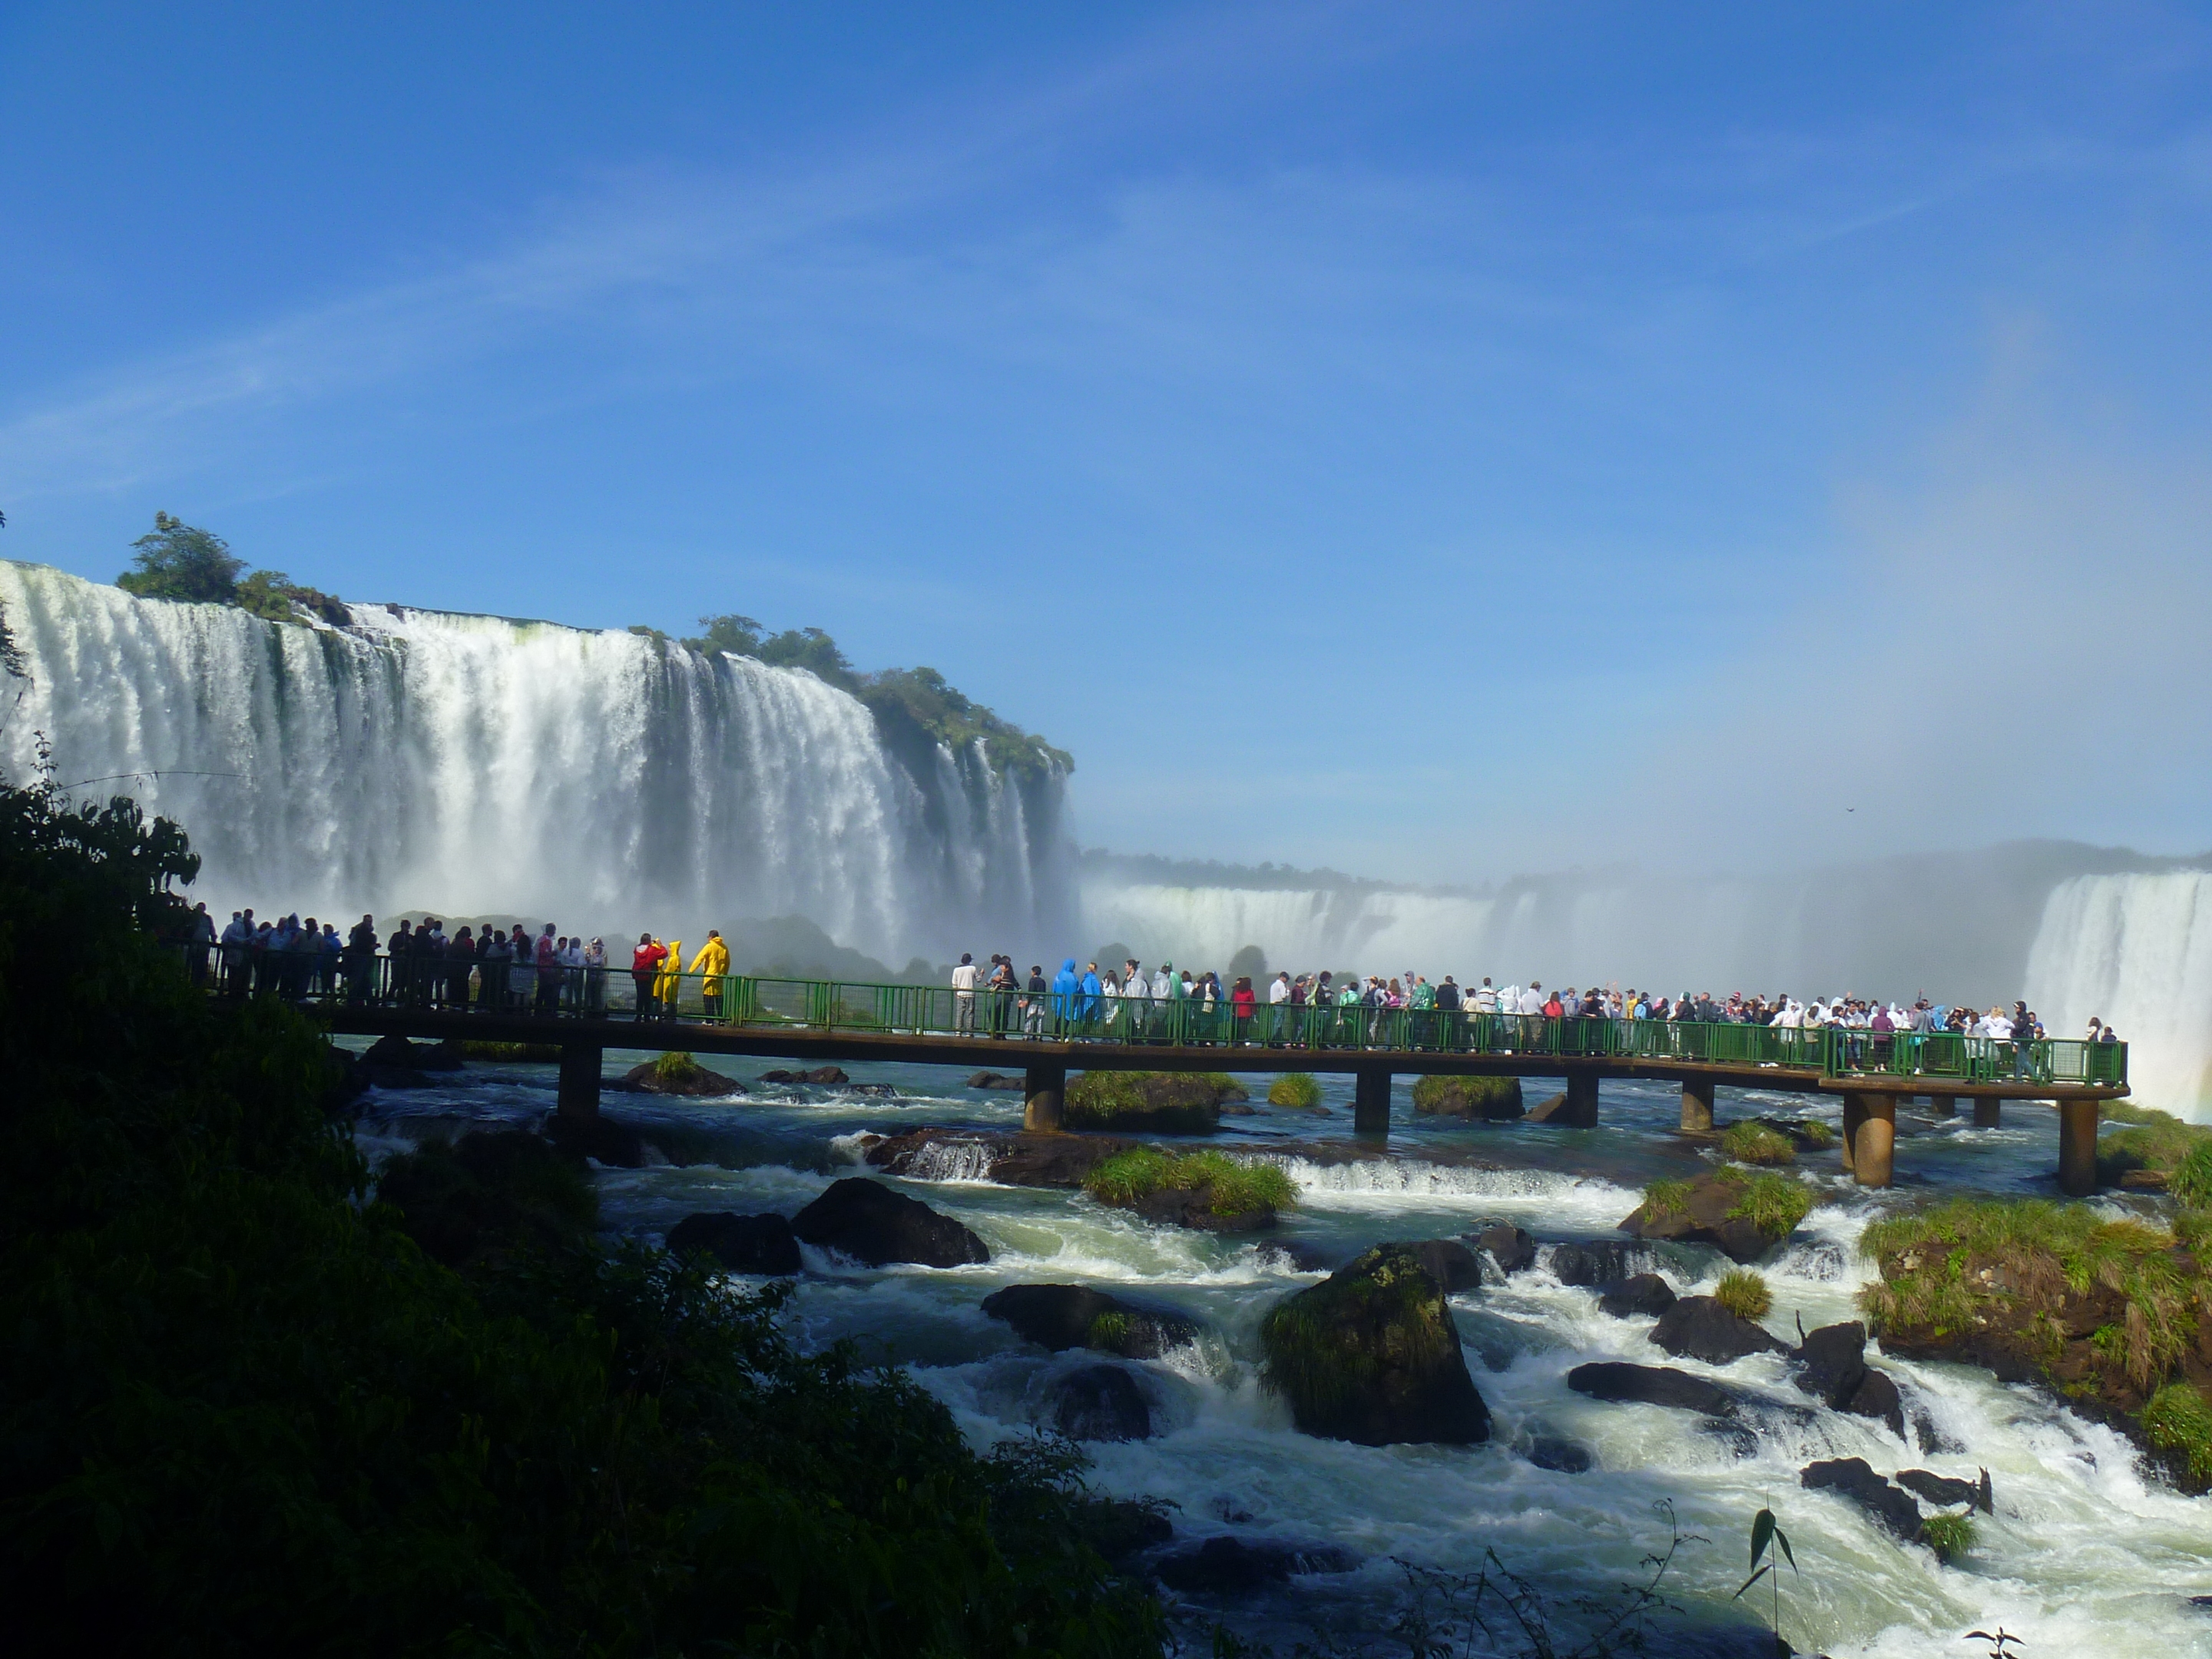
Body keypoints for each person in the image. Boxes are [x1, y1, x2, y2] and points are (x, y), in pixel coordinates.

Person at [689, 929, 731, 1020]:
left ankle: (709, 1020)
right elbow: (727, 962)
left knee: (708, 999)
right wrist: (724, 974)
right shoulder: (724, 948)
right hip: (720, 977)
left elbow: (699, 958)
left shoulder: (709, 947)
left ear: (711, 937)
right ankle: (721, 1020)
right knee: (719, 1000)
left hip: (709, 977)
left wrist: (691, 970)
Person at [631, 932, 667, 1019]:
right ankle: (647, 1016)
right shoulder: (651, 950)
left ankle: (638, 1015)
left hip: (638, 975)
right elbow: (664, 953)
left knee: (640, 995)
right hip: (648, 975)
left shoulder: (637, 949)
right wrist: (659, 945)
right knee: (648, 996)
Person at [446, 926, 476, 1012]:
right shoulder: (463, 946)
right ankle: (463, 1004)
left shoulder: (452, 945)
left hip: (452, 970)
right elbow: (470, 957)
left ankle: (453, 1004)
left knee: (452, 987)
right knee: (463, 988)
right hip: (462, 970)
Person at [952, 952, 979, 1034]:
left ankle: (958, 1031)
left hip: (960, 994)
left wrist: (956, 992)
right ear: (969, 961)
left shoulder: (956, 970)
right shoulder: (973, 968)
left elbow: (954, 983)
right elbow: (978, 979)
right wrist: (981, 974)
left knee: (960, 1013)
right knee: (970, 1013)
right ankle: (969, 1032)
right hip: (970, 994)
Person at [584, 937, 608, 1014]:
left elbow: (594, 963)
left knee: (597, 994)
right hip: (593, 977)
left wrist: (588, 954)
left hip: (598, 977)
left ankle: (597, 1010)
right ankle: (593, 1009)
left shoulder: (601, 953)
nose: (594, 948)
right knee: (593, 994)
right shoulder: (599, 952)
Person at [1024, 964, 1048, 1037]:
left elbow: (1031, 991)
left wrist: (1028, 999)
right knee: (1040, 1018)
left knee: (1030, 1017)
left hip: (1034, 1001)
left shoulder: (1032, 980)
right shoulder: (1043, 981)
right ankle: (1039, 1035)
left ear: (1034, 972)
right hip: (1041, 1001)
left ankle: (1026, 1035)